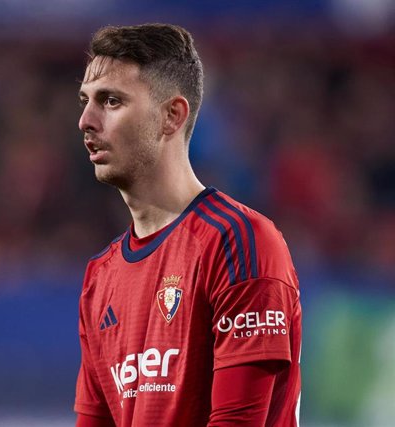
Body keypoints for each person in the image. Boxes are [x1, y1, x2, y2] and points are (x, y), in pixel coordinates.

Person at [74, 23, 302, 426]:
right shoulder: (99, 278)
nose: (86, 121)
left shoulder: (238, 242)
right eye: (85, 101)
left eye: (111, 101)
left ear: (171, 116)